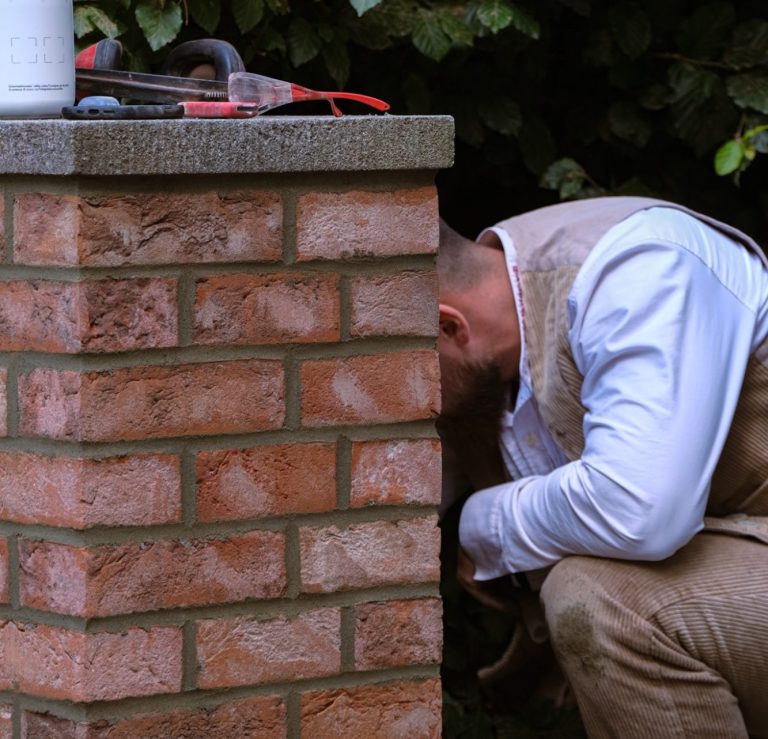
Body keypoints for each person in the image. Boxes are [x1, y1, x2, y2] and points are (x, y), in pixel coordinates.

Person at [437, 196, 768, 738]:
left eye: (410, 372)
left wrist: (485, 526)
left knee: (599, 600)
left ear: (450, 327)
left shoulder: (638, 267)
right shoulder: (489, 337)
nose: (411, 399)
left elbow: (638, 508)